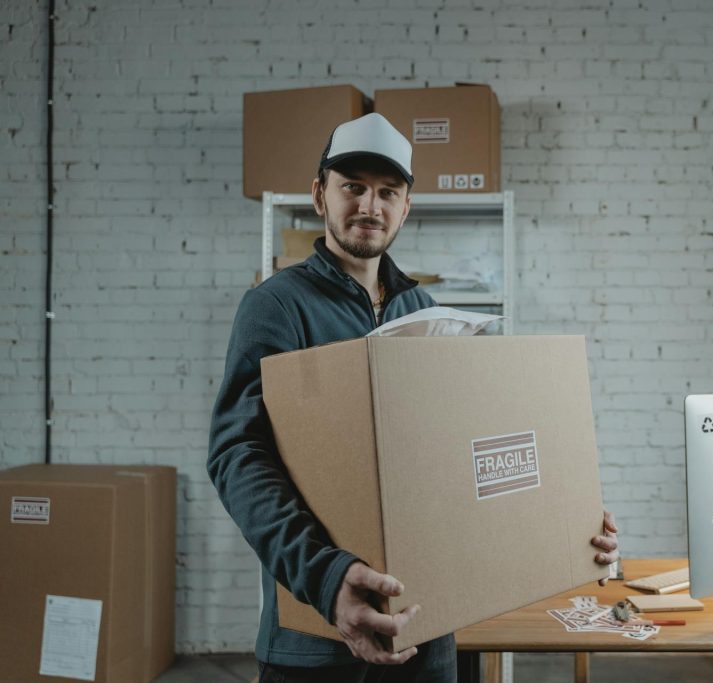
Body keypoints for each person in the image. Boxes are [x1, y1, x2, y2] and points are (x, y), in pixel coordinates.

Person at [208, 113, 620, 682]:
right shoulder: (275, 306)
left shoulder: (425, 314)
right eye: (352, 187)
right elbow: (238, 455)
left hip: (427, 632)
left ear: (407, 206)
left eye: (387, 192)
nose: (369, 206)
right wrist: (327, 580)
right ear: (318, 195)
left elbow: (465, 456)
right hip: (319, 638)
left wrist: (564, 517)